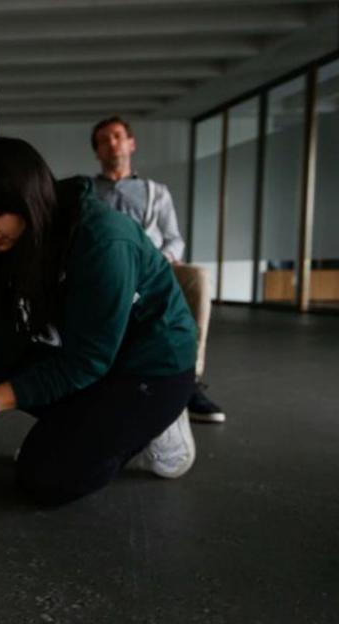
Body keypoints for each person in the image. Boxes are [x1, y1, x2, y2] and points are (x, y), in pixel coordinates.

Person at [0, 138, 198, 506]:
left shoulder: (103, 241)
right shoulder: (12, 240)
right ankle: (83, 425)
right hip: (94, 358)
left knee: (46, 478)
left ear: (26, 200)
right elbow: (8, 328)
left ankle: (155, 428)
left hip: (150, 371)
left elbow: (88, 360)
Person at [90, 116, 226, 424]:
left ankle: (188, 378)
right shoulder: (88, 192)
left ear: (131, 143)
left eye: (118, 136)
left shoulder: (156, 192)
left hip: (154, 268)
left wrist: (162, 259)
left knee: (197, 278)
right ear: (97, 151)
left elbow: (174, 239)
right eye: (104, 139)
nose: (112, 143)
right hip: (108, 272)